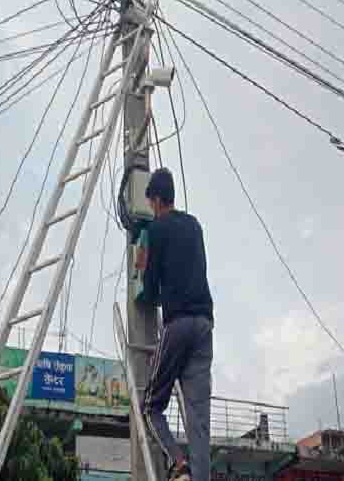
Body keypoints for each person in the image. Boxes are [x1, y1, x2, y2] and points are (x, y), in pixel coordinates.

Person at [135, 168, 213, 481]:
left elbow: (150, 292)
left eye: (151, 202)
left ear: (155, 199)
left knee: (150, 407)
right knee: (198, 422)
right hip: (205, 326)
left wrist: (142, 266)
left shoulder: (155, 230)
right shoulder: (194, 226)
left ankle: (178, 463)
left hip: (178, 325)